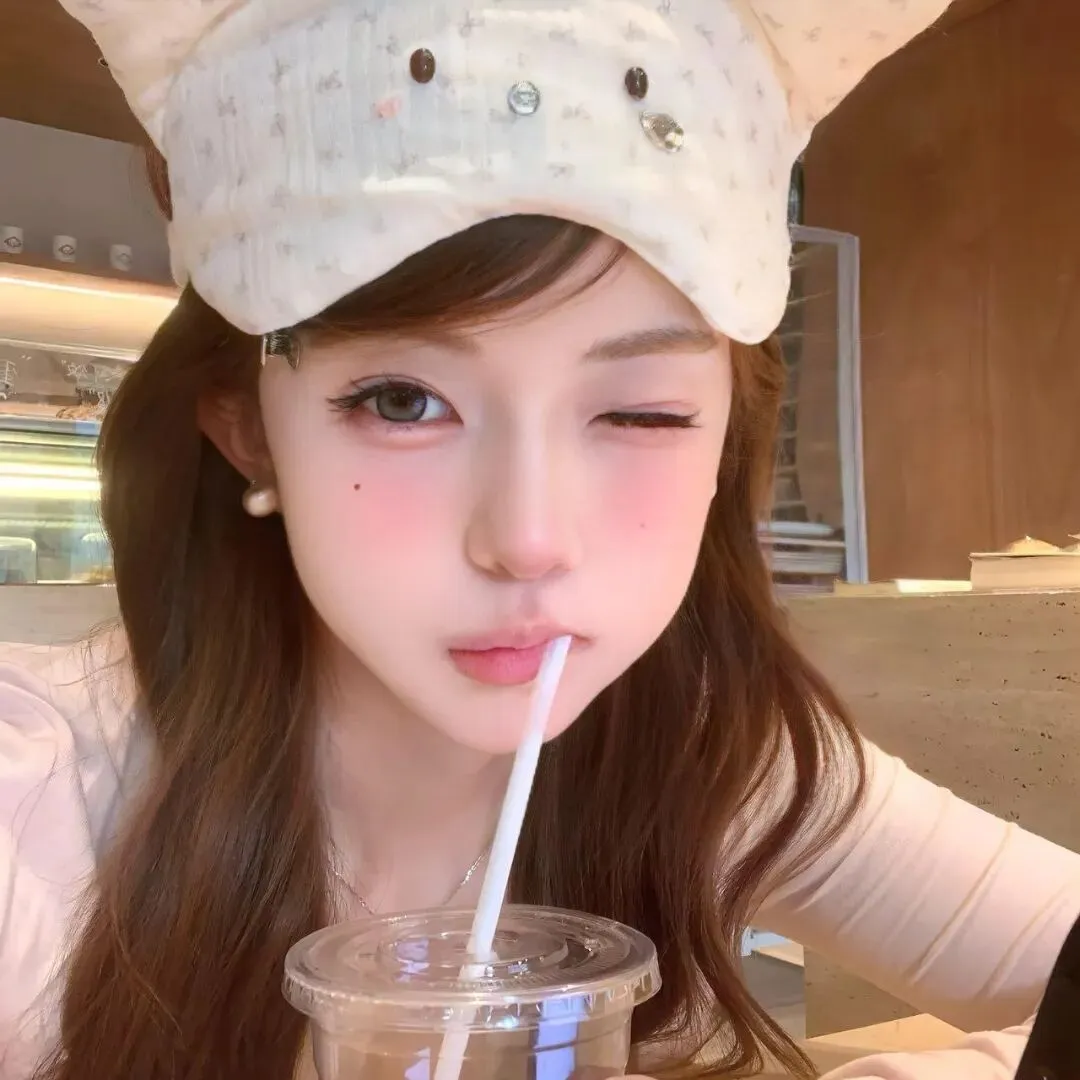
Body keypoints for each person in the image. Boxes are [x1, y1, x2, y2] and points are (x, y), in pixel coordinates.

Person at [2, 0, 1077, 1077]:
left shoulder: (716, 760)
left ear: (725, 444)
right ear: (249, 431)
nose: (529, 540)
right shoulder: (37, 804)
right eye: (403, 401)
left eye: (639, 412)